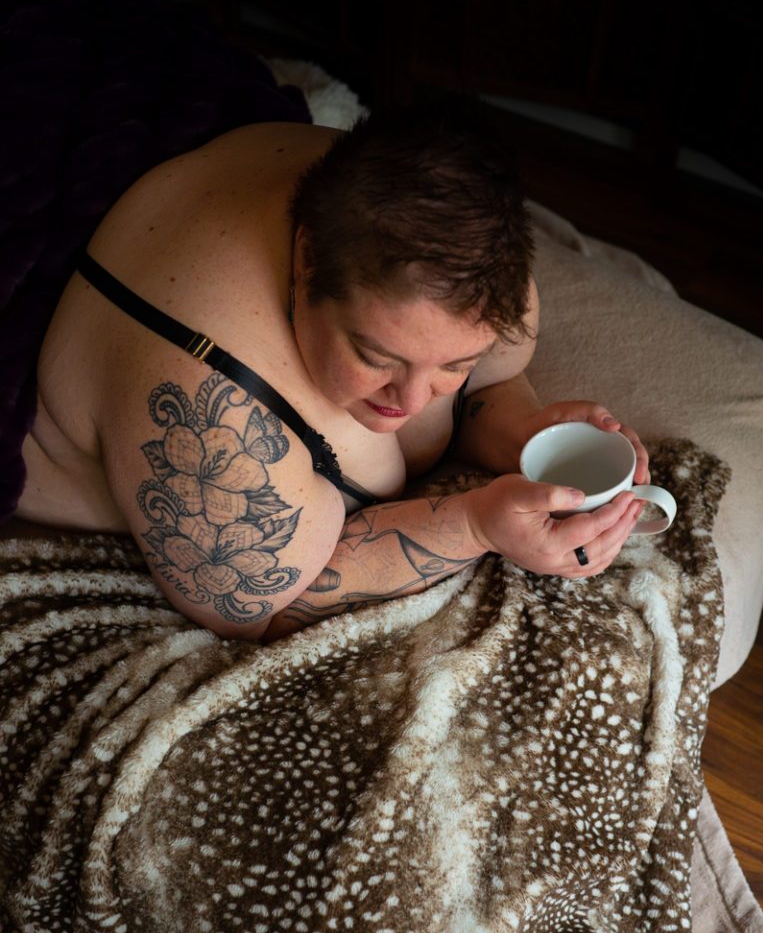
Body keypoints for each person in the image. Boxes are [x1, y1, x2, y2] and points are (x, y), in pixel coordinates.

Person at [13, 96, 650, 641]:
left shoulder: (468, 259)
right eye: (376, 358)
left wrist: (534, 442)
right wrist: (474, 524)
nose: (413, 397)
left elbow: (488, 384)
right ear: (304, 261)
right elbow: (261, 610)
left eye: (455, 363)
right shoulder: (206, 407)